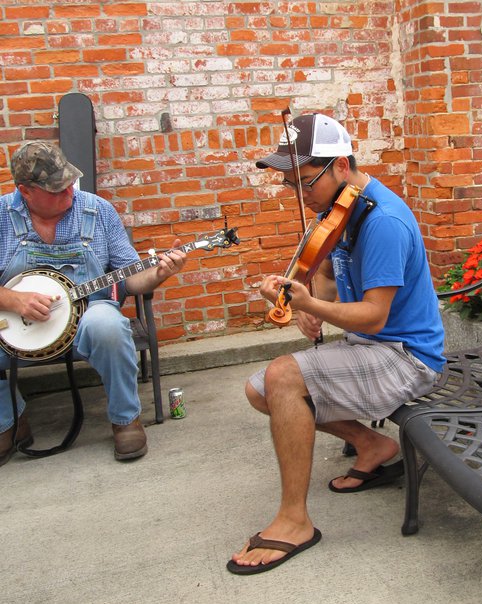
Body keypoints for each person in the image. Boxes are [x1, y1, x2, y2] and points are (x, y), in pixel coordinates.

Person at [227, 113, 446, 575]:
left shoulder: (382, 220)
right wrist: (303, 303)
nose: (300, 195)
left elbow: (374, 314)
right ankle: (374, 447)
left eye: (306, 182)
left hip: (406, 357)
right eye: (292, 185)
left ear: (342, 165)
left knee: (283, 376)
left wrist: (315, 305)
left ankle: (294, 520)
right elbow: (325, 280)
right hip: (368, 346)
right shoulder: (339, 210)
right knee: (259, 389)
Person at [0, 141, 186, 466]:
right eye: (56, 190)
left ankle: (125, 419)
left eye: (69, 183)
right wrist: (12, 299)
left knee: (108, 323)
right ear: (26, 191)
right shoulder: (1, 216)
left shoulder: (97, 210)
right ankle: (11, 421)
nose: (68, 193)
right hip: (16, 327)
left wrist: (158, 274)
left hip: (87, 316)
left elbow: (130, 279)